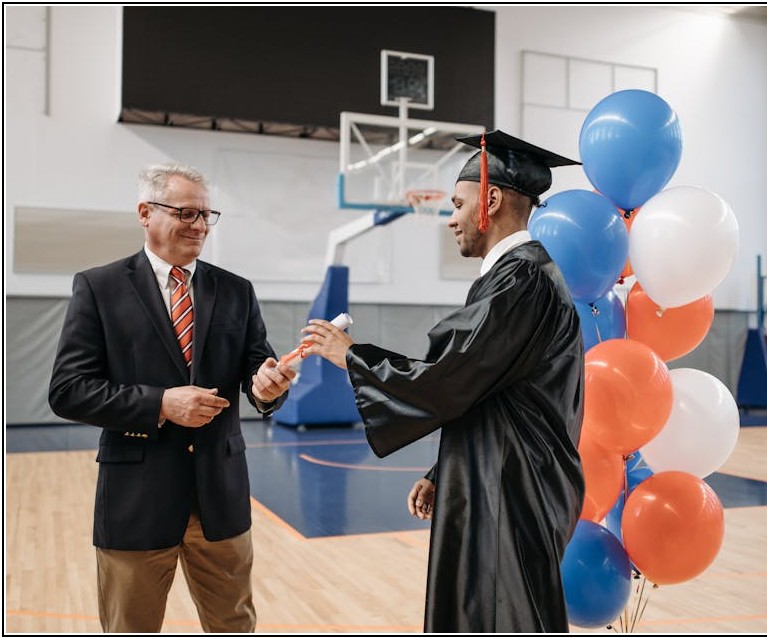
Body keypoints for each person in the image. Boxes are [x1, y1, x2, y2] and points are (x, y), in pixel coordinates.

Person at [300, 130, 587, 633]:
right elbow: (486, 391)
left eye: (457, 204)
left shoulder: (523, 281)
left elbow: (448, 379)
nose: (451, 219)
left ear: (490, 201)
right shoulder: (519, 277)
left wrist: (353, 357)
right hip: (499, 477)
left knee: (508, 616)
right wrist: (445, 470)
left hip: (515, 489)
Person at [48, 163, 295, 633]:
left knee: (234, 626)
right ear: (145, 212)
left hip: (220, 499)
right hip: (136, 501)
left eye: (206, 215)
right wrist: (160, 404)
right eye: (186, 213)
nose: (200, 225)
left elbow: (255, 369)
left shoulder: (236, 290)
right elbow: (68, 390)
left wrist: (267, 387)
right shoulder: (99, 287)